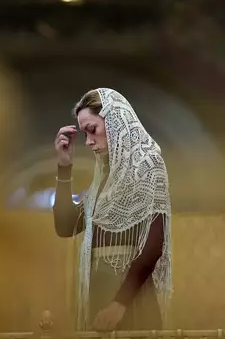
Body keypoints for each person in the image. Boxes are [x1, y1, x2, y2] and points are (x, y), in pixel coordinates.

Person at [53, 88, 171, 331]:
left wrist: (119, 304)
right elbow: (65, 226)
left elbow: (153, 244)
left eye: (92, 130)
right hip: (100, 294)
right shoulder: (103, 179)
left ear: (114, 121)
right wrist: (64, 168)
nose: (88, 142)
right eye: (84, 134)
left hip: (132, 299)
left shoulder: (148, 163)